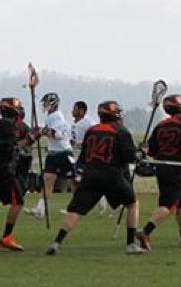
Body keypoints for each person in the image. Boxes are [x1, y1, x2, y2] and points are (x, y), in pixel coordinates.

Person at [45, 101, 148, 255]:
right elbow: (130, 157)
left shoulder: (92, 130)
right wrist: (142, 152)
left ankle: (57, 242)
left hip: (90, 174)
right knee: (132, 204)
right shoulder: (121, 132)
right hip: (112, 175)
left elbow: (84, 156)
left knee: (75, 210)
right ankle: (130, 244)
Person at [140, 94, 181, 250]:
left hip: (162, 168)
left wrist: (143, 149)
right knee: (169, 205)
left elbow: (152, 151)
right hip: (177, 169)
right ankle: (145, 231)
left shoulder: (160, 126)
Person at [0, 97, 27, 251]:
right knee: (18, 201)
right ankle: (6, 237)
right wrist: (30, 139)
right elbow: (10, 147)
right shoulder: (6, 126)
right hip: (3, 170)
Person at [25, 92, 74, 218]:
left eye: (46, 103)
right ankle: (40, 209)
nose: (44, 105)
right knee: (47, 181)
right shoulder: (50, 117)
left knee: (75, 181)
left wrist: (42, 131)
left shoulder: (58, 117)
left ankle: (77, 207)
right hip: (52, 153)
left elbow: (56, 134)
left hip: (63, 153)